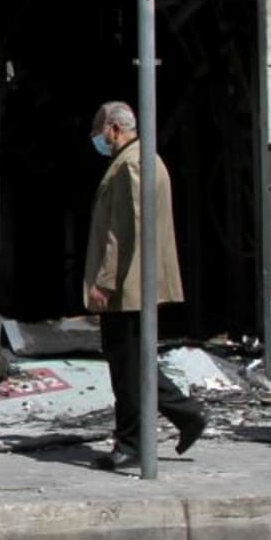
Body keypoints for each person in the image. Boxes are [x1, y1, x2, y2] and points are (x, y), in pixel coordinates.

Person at [83, 101, 208, 470]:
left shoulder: (132, 164)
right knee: (133, 363)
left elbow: (127, 229)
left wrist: (105, 281)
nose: (97, 139)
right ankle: (183, 417)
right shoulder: (142, 159)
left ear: (113, 128)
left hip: (128, 285)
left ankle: (136, 441)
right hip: (133, 282)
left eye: (99, 132)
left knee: (127, 366)